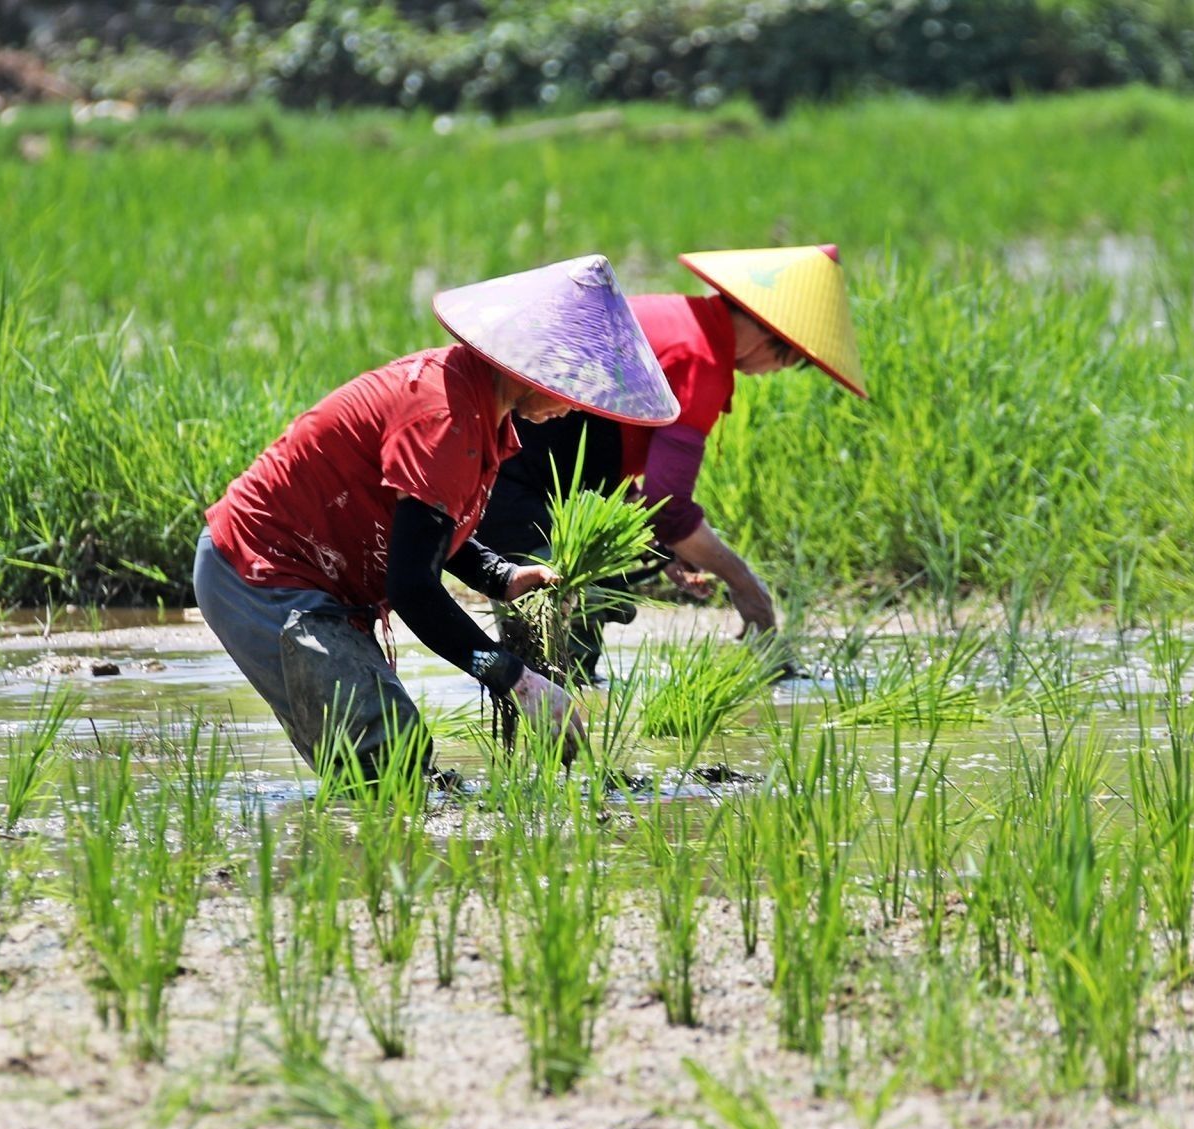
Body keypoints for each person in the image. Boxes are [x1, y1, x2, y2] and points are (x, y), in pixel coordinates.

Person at [193, 255, 679, 777]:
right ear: (533, 362)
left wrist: (501, 576)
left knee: (397, 767)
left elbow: (428, 528)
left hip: (319, 578)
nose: (578, 404)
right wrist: (514, 678)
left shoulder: (477, 408)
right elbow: (413, 591)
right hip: (261, 574)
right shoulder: (444, 417)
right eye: (572, 382)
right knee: (382, 758)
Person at [477, 244, 868, 675]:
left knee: (558, 645)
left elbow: (594, 445)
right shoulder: (699, 358)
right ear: (764, 331)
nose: (777, 371)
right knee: (567, 640)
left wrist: (665, 546)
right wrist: (746, 586)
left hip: (509, 470)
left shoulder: (674, 318)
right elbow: (671, 506)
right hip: (506, 480)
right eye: (790, 358)